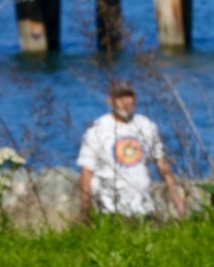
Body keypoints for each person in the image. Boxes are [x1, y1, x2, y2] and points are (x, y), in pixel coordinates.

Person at [77, 81, 184, 220]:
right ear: (110, 101)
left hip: (143, 208)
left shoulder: (146, 126)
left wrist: (176, 196)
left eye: (129, 96)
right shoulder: (97, 129)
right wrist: (85, 210)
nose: (126, 102)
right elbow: (87, 172)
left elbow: (161, 163)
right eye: (120, 97)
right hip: (109, 209)